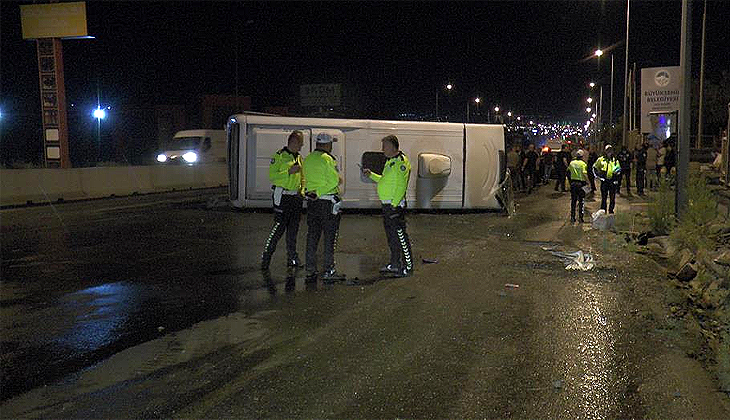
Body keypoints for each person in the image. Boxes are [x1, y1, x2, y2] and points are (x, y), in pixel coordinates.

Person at [363, 135, 413, 277]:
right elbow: (384, 180)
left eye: (384, 146)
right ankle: (395, 264)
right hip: (388, 205)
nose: (382, 149)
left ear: (392, 146)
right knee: (391, 237)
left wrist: (394, 205)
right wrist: (371, 175)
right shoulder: (390, 162)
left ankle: (408, 267)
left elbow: (401, 186)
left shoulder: (400, 162)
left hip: (394, 206)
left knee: (401, 236)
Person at [303, 132, 345, 282]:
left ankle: (310, 268)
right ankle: (329, 270)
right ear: (328, 145)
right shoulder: (328, 159)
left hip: (312, 203)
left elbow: (306, 180)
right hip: (326, 203)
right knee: (329, 237)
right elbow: (334, 181)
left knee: (312, 235)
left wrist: (312, 194)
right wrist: (320, 192)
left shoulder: (307, 159)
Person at [261, 130, 304, 270]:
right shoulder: (279, 156)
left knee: (293, 229)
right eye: (301, 143)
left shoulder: (299, 157)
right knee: (279, 227)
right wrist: (288, 172)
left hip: (295, 197)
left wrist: (302, 191)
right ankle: (266, 257)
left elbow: (302, 178)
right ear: (294, 142)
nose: (302, 146)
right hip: (282, 196)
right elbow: (272, 176)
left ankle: (292, 258)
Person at [593, 144, 621, 214]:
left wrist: (616, 176)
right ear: (605, 151)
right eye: (608, 150)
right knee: (604, 198)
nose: (609, 152)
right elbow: (594, 168)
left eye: (610, 150)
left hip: (612, 181)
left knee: (612, 198)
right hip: (604, 181)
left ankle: (611, 211)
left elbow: (618, 169)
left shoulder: (615, 160)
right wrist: (599, 177)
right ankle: (603, 211)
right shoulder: (601, 159)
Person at [568, 149, 589, 223]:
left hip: (573, 183)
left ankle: (572, 217)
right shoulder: (583, 164)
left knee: (573, 201)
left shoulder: (572, 163)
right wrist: (588, 182)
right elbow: (584, 174)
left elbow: (568, 172)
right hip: (581, 184)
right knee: (581, 201)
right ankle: (581, 217)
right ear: (582, 156)